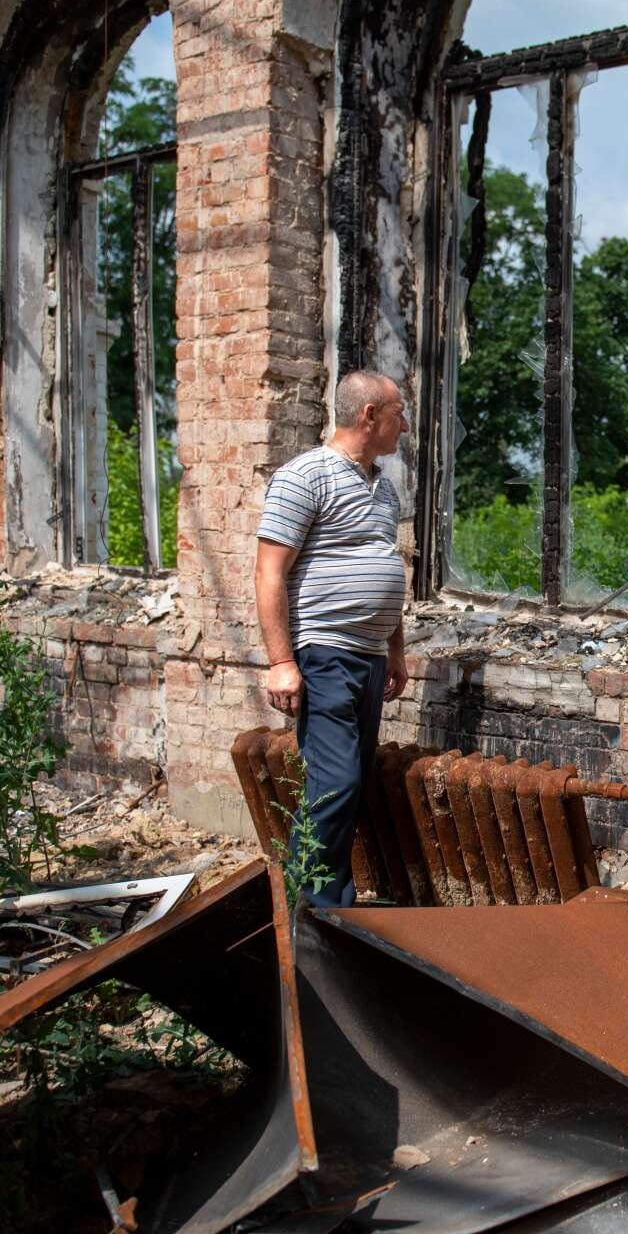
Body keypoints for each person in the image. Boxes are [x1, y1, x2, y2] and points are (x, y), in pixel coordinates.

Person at [254, 370, 411, 905]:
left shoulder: (382, 487)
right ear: (370, 415)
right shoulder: (304, 477)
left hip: (367, 657)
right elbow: (269, 572)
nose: (404, 425)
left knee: (350, 784)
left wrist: (395, 650)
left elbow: (385, 568)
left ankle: (330, 904)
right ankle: (306, 913)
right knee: (335, 783)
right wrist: (281, 662)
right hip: (323, 654)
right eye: (398, 413)